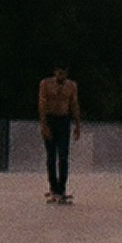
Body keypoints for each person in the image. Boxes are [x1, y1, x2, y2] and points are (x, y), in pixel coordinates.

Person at [38, 66, 82, 203]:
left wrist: (77, 125)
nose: (60, 76)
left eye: (63, 73)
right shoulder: (46, 84)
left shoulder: (71, 85)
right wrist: (44, 125)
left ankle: (61, 188)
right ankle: (53, 186)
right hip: (50, 118)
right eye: (58, 73)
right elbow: (42, 104)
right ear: (55, 72)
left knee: (63, 155)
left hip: (63, 120)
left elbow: (74, 104)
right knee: (51, 155)